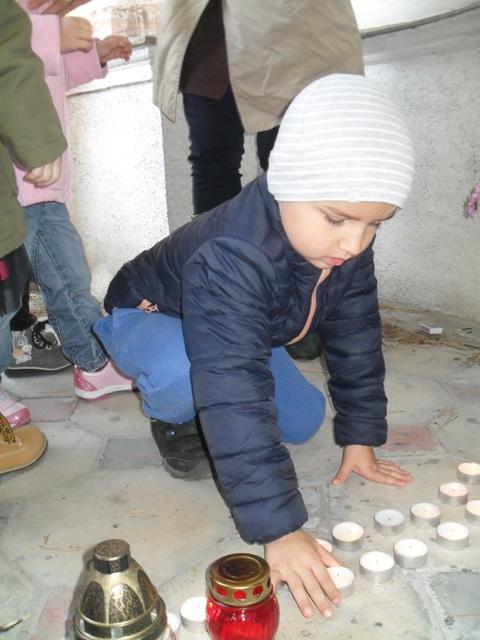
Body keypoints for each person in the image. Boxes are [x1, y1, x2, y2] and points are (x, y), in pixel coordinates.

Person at [94, 74, 416, 619]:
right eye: (337, 218)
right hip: (148, 313)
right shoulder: (233, 251)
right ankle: (170, 415)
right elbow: (233, 386)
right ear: (284, 184)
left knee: (302, 420)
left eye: (375, 224)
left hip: (234, 323)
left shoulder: (346, 246)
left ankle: (219, 366)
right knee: (189, 373)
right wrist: (280, 529)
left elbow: (357, 336)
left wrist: (361, 436)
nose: (354, 242)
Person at [155, 1, 365, 361]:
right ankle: (223, 298)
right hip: (206, 29)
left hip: (287, 29)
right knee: (211, 164)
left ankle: (300, 306)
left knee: (293, 171)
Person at [8, 1, 134, 404]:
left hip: (40, 185)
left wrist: (93, 57)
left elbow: (47, 77)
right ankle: (90, 362)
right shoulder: (20, 18)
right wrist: (49, 35)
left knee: (68, 277)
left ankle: (93, 362)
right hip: (17, 185)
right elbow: (10, 54)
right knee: (42, 286)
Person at [0, 0, 67, 472]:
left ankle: (27, 349)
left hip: (40, 194)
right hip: (33, 193)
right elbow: (6, 46)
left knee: (22, 290)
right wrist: (39, 141)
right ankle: (29, 350)